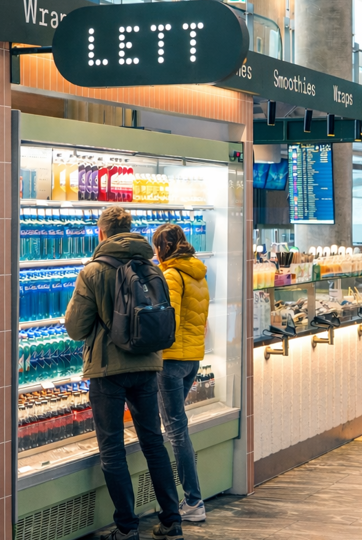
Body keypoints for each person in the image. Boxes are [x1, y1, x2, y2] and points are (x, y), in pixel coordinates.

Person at [64, 207, 184, 540]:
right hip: (147, 364)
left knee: (113, 449)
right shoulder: (151, 266)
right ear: (131, 229)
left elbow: (75, 328)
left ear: (101, 233)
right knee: (154, 442)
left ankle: (127, 528)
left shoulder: (93, 271)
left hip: (108, 369)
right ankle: (172, 520)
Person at [152, 223, 210, 522]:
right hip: (192, 359)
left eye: (156, 248)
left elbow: (167, 320)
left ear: (162, 248)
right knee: (176, 426)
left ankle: (193, 501)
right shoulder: (197, 273)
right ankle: (189, 499)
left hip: (172, 360)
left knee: (176, 430)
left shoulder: (172, 275)